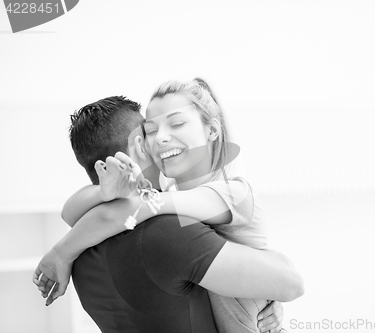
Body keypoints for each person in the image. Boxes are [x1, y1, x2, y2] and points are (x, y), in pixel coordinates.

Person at [33, 90, 303, 332]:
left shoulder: (81, 252)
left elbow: (76, 211)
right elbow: (291, 283)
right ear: (140, 145)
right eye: (151, 132)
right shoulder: (169, 232)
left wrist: (62, 251)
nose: (162, 140)